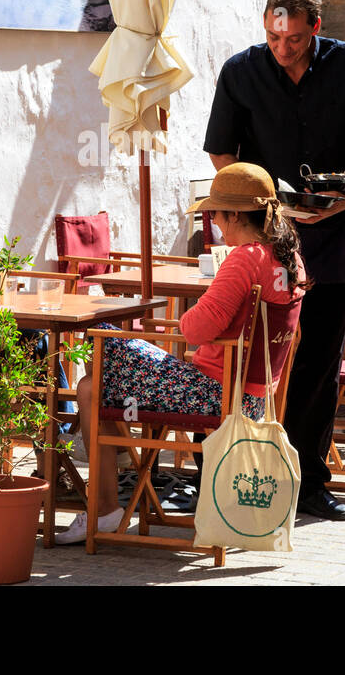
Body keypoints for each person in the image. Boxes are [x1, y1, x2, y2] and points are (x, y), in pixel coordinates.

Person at [202, 0, 345, 521]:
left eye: (290, 38)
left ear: (315, 26)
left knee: (321, 361)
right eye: (272, 36)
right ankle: (238, 472)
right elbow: (222, 149)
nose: (280, 48)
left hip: (335, 233)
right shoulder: (241, 72)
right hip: (269, 239)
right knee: (254, 357)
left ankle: (309, 482)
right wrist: (259, 206)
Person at [56, 163, 306, 544]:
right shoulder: (289, 259)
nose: (216, 224)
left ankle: (102, 486)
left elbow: (193, 329)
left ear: (235, 215)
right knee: (93, 385)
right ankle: (107, 481)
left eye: (216, 215)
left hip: (213, 396)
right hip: (252, 398)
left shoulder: (244, 258)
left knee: (100, 341)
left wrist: (205, 312)